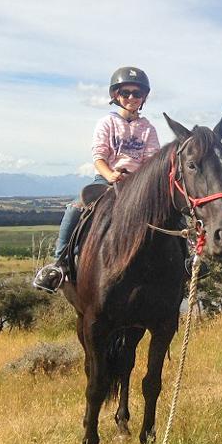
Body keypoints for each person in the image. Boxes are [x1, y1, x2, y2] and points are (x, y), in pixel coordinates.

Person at [32, 66, 160, 292]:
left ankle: (187, 259)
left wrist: (138, 181)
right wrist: (111, 175)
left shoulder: (148, 128)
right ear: (115, 96)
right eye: (126, 93)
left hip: (139, 184)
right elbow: (99, 157)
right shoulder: (106, 123)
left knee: (171, 210)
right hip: (106, 179)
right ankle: (59, 263)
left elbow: (151, 162)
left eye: (137, 93)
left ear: (144, 97)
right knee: (75, 207)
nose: (131, 97)